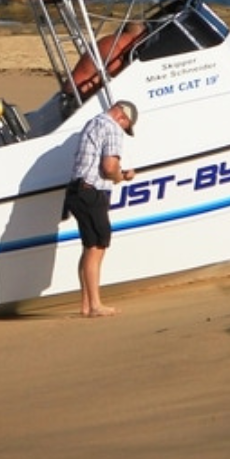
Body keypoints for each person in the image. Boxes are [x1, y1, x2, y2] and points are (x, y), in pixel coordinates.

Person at [64, 99, 138, 317]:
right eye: (127, 126)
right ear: (122, 117)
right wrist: (122, 177)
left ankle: (86, 305)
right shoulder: (112, 128)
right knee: (98, 245)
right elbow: (109, 167)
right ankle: (95, 305)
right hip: (91, 192)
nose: (125, 130)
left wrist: (117, 175)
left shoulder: (93, 122)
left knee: (89, 247)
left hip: (77, 191)